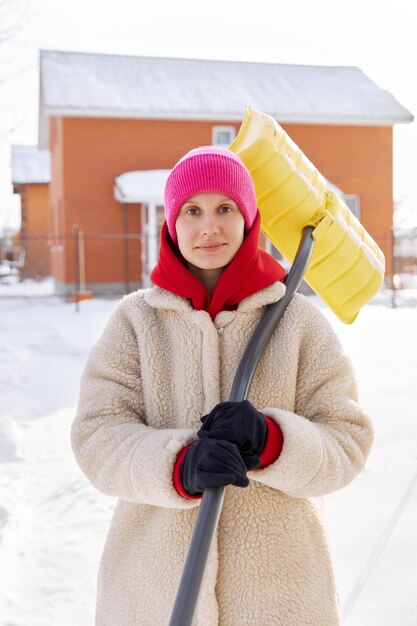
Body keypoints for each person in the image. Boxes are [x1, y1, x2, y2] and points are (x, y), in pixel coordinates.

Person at [72, 146, 374, 626]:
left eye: (224, 209)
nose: (208, 226)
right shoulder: (134, 321)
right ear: (172, 222)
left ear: (249, 217)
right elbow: (96, 435)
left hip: (279, 595)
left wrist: (273, 442)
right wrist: (178, 465)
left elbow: (348, 440)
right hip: (153, 591)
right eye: (192, 211)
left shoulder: (296, 322)